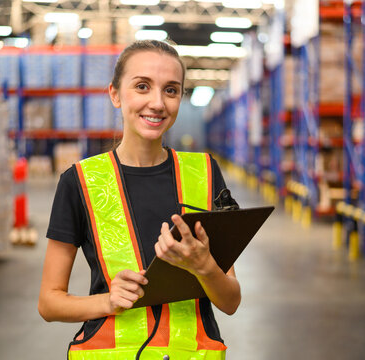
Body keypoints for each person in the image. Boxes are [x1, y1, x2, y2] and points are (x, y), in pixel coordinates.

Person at [38, 39, 241, 360]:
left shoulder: (204, 173)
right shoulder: (79, 182)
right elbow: (49, 303)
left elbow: (230, 301)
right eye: (142, 86)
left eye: (171, 90)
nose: (158, 102)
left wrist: (206, 268)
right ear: (115, 94)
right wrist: (106, 301)